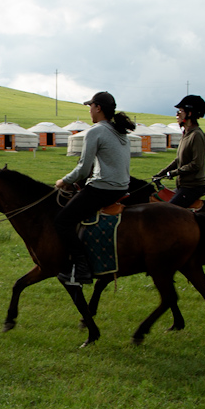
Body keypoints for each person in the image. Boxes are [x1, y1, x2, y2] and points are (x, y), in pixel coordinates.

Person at [53, 91, 135, 287]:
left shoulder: (95, 131)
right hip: (122, 187)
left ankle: (81, 267)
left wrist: (64, 181)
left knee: (62, 221)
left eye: (90, 106)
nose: (89, 110)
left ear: (98, 108)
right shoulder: (120, 131)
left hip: (103, 189)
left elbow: (83, 168)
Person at [153, 94, 205, 208]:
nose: (177, 114)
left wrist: (173, 173)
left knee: (169, 210)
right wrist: (161, 174)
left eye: (180, 111)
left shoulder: (196, 135)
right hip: (183, 186)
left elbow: (196, 164)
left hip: (193, 187)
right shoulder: (186, 134)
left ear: (190, 113)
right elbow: (179, 160)